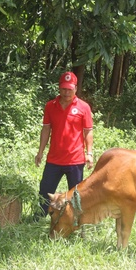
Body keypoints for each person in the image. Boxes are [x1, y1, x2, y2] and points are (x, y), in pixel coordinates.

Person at [35, 71, 94, 218]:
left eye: (69, 89)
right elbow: (46, 129)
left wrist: (90, 153)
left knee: (76, 196)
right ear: (59, 88)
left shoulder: (83, 107)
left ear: (75, 88)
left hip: (75, 160)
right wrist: (40, 152)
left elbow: (88, 131)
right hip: (54, 159)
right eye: (63, 89)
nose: (66, 92)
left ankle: (76, 222)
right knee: (44, 192)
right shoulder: (50, 106)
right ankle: (38, 220)